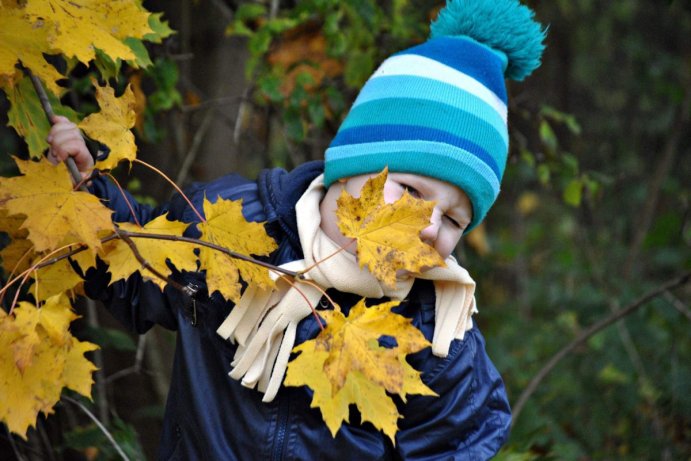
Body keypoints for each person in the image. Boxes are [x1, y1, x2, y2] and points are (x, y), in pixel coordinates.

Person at [47, 0, 545, 458]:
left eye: (456, 219)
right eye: (412, 192)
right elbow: (131, 273)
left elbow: (456, 443)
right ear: (348, 170)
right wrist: (84, 189)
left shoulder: (438, 339)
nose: (431, 226)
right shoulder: (237, 226)